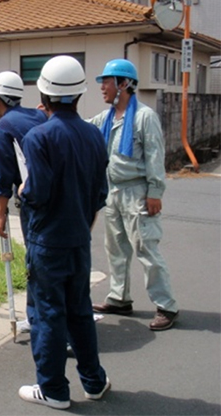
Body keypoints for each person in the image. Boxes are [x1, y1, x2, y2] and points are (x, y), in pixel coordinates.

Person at [18, 55, 110, 409]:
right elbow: (100, 193)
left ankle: (54, 389)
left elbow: (37, 194)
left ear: (44, 92)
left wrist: (24, 192)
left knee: (48, 314)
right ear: (79, 94)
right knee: (80, 311)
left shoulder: (38, 136)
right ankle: (94, 381)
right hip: (78, 239)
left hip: (48, 241)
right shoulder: (93, 134)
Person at [89, 58, 179, 331]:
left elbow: (155, 156)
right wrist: (52, 114)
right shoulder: (106, 118)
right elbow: (83, 128)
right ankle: (119, 297)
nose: (102, 87)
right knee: (115, 249)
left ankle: (167, 306)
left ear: (124, 84)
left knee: (146, 249)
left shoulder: (144, 117)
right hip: (113, 192)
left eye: (107, 81)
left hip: (137, 192)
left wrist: (155, 192)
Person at [0, 70, 47, 334]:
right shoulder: (37, 114)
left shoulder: (3, 127)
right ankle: (36, 317)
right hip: (56, 194)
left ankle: (43, 322)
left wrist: (1, 214)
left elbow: (4, 176)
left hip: (33, 200)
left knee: (36, 261)